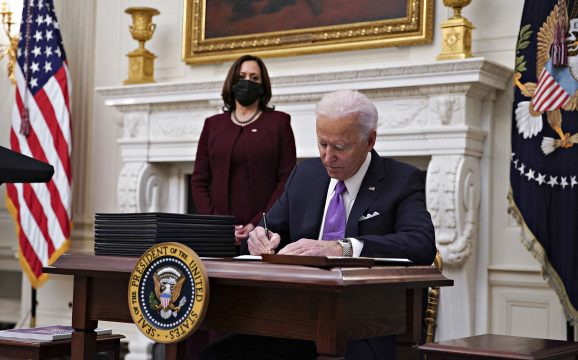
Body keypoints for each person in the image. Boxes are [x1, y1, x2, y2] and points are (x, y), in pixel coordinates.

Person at [200, 90, 436, 360]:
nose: (327, 156)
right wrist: (258, 238)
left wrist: (343, 248)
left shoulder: (401, 179)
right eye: (322, 144)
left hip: (368, 325)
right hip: (297, 320)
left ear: (370, 139)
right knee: (217, 355)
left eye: (340, 147)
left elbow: (421, 245)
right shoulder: (305, 175)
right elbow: (268, 230)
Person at [190, 55, 297, 250]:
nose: (247, 82)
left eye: (254, 78)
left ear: (263, 84)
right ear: (232, 81)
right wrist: (219, 226)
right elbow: (199, 180)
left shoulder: (279, 123)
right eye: (242, 76)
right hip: (217, 233)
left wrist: (257, 224)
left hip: (264, 233)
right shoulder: (212, 125)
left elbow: (286, 181)